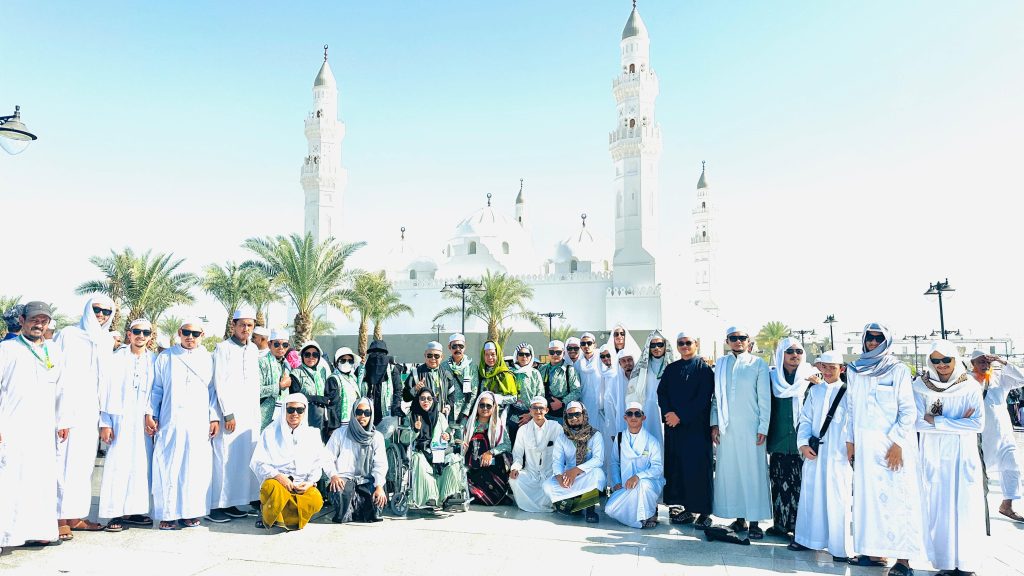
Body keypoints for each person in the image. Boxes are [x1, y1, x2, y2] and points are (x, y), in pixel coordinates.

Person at [845, 322, 923, 575]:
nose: (873, 342)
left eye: (879, 339)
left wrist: (898, 443)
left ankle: (903, 561)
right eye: (870, 337)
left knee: (899, 501)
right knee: (868, 501)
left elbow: (908, 410)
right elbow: (851, 408)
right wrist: (850, 441)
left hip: (893, 447)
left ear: (887, 341)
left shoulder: (898, 369)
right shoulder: (855, 369)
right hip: (865, 447)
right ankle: (874, 552)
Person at [0, 301, 69, 549]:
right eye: (34, 320)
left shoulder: (54, 351)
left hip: (43, 428)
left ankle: (38, 531)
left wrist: (63, 420)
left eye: (43, 321)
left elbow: (62, 389)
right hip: (13, 425)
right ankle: (5, 536)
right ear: (22, 320)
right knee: (9, 481)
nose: (39, 325)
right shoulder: (7, 349)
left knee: (40, 480)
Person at [914, 341, 985, 576]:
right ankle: (945, 564)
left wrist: (936, 420)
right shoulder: (920, 387)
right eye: (936, 360)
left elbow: (977, 424)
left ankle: (966, 565)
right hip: (933, 456)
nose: (941, 365)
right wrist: (959, 422)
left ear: (955, 359)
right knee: (939, 509)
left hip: (962, 456)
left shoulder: (970, 386)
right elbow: (917, 422)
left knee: (965, 508)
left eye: (946, 359)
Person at [147, 319, 220, 530]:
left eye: (195, 334)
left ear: (202, 335)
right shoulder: (166, 357)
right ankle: (167, 514)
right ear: (179, 332)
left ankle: (190, 513)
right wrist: (151, 413)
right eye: (186, 332)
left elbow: (212, 391)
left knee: (194, 467)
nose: (190, 337)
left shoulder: (207, 358)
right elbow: (157, 389)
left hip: (198, 422)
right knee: (168, 465)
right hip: (171, 420)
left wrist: (214, 417)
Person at [54, 295, 116, 536]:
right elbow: (57, 374)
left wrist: (104, 419)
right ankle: (59, 518)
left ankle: (76, 516)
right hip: (68, 410)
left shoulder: (106, 340)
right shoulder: (68, 334)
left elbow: (106, 382)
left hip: (91, 412)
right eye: (97, 309)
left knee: (83, 467)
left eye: (106, 311)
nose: (101, 314)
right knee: (63, 464)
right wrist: (60, 415)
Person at [711, 326, 771, 539]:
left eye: (742, 338)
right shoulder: (721, 364)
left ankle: (754, 522)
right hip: (727, 429)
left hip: (751, 428)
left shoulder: (758, 364)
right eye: (734, 338)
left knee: (753, 473)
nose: (738, 341)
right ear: (727, 341)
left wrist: (763, 427)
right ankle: (739, 519)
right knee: (732, 473)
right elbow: (716, 398)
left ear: (748, 341)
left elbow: (765, 399)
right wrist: (714, 424)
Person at [794, 350, 852, 561]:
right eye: (824, 367)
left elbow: (853, 423)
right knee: (811, 495)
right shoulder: (815, 391)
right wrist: (803, 444)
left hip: (839, 454)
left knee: (838, 498)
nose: (827, 371)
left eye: (832, 368)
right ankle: (807, 539)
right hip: (815, 452)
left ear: (841, 369)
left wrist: (850, 448)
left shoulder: (849, 393)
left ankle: (839, 548)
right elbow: (805, 419)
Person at [98, 319, 156, 531]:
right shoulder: (115, 359)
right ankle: (115, 513)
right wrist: (105, 422)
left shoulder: (154, 360)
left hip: (142, 422)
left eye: (145, 332)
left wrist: (150, 414)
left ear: (150, 336)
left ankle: (135, 511)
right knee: (118, 465)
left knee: (140, 466)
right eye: (137, 331)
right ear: (129, 334)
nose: (141, 336)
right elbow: (105, 391)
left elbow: (156, 391)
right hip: (119, 419)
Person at [208, 307, 262, 523]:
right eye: (242, 325)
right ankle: (216, 506)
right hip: (230, 414)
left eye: (249, 325)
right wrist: (227, 413)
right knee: (224, 458)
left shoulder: (253, 349)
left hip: (249, 414)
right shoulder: (223, 348)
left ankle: (231, 502)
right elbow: (219, 381)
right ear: (234, 325)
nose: (246, 329)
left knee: (241, 460)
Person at [250, 393, 334, 530]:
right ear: (284, 410)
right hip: (278, 483)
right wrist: (278, 476)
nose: (295, 413)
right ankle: (273, 515)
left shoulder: (312, 434)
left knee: (316, 499)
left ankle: (278, 515)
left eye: (300, 410)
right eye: (290, 409)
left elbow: (317, 464)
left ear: (305, 411)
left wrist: (310, 482)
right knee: (271, 488)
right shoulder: (270, 433)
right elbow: (258, 462)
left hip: (300, 485)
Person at [658, 332, 715, 528]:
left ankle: (705, 512)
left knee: (698, 468)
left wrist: (680, 416)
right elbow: (662, 393)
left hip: (696, 428)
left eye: (688, 342)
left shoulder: (704, 369)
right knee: (680, 468)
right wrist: (668, 413)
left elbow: (703, 399)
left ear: (695, 344)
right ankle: (687, 509)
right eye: (681, 343)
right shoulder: (671, 368)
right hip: (675, 429)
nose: (684, 346)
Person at [766, 337, 820, 540]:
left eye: (798, 351)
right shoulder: (772, 378)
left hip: (803, 442)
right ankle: (780, 525)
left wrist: (819, 385)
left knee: (802, 486)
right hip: (779, 440)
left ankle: (801, 528)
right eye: (789, 351)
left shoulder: (812, 378)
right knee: (778, 483)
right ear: (781, 354)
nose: (794, 355)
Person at [969, 350, 1024, 522]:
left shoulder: (999, 378)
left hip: (1005, 434)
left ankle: (1007, 505)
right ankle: (972, 508)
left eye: (988, 362)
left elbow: (1022, 378)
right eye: (981, 362)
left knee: (1013, 467)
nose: (985, 365)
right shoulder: (967, 381)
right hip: (982, 436)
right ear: (973, 364)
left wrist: (1002, 361)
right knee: (977, 472)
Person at [326, 397, 388, 523]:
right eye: (359, 412)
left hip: (367, 480)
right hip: (344, 479)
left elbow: (380, 464)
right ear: (354, 413)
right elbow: (327, 457)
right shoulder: (340, 433)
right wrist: (333, 476)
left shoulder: (377, 437)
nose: (362, 416)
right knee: (339, 495)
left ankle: (358, 508)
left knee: (376, 504)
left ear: (371, 415)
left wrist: (379, 486)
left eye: (367, 413)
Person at [606, 401, 665, 529]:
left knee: (643, 485)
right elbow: (614, 462)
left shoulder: (651, 441)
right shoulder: (619, 438)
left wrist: (638, 477)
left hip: (648, 484)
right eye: (630, 414)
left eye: (637, 414)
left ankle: (648, 514)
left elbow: (657, 468)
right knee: (609, 509)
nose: (633, 417)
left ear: (643, 417)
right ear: (625, 417)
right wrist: (616, 482)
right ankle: (637, 516)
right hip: (626, 486)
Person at [407, 387, 469, 510]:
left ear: (433, 400)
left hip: (439, 449)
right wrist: (415, 430)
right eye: (422, 398)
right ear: (418, 400)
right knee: (419, 460)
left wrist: (448, 436)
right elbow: (404, 438)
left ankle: (448, 496)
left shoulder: (440, 416)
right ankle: (430, 497)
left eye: (429, 398)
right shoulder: (412, 416)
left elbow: (448, 435)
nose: (426, 401)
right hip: (421, 450)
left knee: (454, 459)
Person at [543, 401, 605, 523]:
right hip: (569, 477)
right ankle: (575, 506)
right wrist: (559, 477)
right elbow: (557, 461)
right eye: (570, 415)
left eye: (577, 414)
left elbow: (598, 460)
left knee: (598, 474)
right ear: (566, 418)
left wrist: (576, 471)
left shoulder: (595, 435)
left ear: (584, 415)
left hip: (586, 475)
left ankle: (590, 509)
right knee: (547, 486)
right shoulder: (562, 437)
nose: (574, 418)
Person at [509, 396, 563, 512]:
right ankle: (530, 505)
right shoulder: (523, 430)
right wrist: (515, 468)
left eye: (541, 408)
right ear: (530, 410)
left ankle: (546, 504)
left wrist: (559, 473)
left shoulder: (556, 428)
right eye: (534, 408)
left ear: (546, 410)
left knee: (551, 485)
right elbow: (518, 454)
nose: (538, 411)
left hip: (550, 473)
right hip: (531, 473)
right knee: (514, 480)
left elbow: (561, 453)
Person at [626, 330, 674, 446]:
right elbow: (632, 390)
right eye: (653, 345)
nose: (656, 348)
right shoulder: (642, 367)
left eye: (660, 344)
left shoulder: (673, 367)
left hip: (666, 410)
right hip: (646, 408)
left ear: (665, 345)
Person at [464, 391, 512, 505]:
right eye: (482, 405)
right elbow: (458, 440)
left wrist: (490, 453)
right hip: (472, 465)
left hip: (491, 465)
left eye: (488, 406)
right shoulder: (469, 424)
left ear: (494, 407)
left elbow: (507, 445)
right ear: (477, 406)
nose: (485, 408)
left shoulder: (498, 425)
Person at [290, 341, 338, 441]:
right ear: (302, 356)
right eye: (307, 354)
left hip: (324, 417)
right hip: (306, 417)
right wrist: (318, 399)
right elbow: (295, 396)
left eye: (315, 355)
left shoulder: (322, 371)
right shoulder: (296, 373)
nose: (311, 357)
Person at [403, 341, 460, 420]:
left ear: (442, 357)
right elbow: (405, 398)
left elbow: (452, 395)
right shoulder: (415, 373)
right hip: (420, 419)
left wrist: (448, 406)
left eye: (436, 356)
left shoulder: (446, 374)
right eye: (429, 355)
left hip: (440, 418)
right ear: (425, 355)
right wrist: (415, 389)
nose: (433, 358)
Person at [259, 329, 292, 431]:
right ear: (269, 345)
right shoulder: (262, 363)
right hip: (263, 416)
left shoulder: (287, 365)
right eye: (277, 344)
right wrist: (279, 386)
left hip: (282, 415)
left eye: (285, 345)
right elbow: (256, 391)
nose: (281, 348)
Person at [509, 342, 544, 440]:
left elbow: (540, 396)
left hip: (531, 415)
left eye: (527, 354)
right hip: (512, 415)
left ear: (531, 356)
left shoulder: (535, 373)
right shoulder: (510, 372)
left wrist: (530, 415)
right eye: (521, 354)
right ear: (516, 356)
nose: (524, 357)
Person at [539, 340, 581, 421]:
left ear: (563, 353)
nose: (555, 355)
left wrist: (562, 402)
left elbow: (577, 391)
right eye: (552, 352)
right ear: (548, 353)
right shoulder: (542, 369)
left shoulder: (570, 370)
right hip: (545, 415)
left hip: (563, 416)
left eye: (558, 352)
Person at [362, 339, 401, 425]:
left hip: (386, 413)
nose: (377, 356)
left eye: (380, 353)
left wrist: (396, 405)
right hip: (365, 414)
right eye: (373, 353)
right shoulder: (362, 371)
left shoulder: (392, 370)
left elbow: (398, 390)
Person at [443, 333, 479, 426]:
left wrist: (465, 412)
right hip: (447, 411)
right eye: (454, 346)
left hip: (464, 413)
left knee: (462, 435)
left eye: (461, 346)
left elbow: (474, 392)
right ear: (449, 347)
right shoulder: (443, 366)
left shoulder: (472, 367)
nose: (458, 349)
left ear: (465, 347)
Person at [327, 346, 362, 425]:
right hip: (340, 423)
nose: (347, 363)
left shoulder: (353, 378)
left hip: (354, 421)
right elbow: (332, 405)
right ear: (337, 362)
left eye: (350, 361)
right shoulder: (333, 379)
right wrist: (334, 426)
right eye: (343, 360)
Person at [575, 332, 603, 423]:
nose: (586, 346)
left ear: (594, 345)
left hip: (601, 401)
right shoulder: (578, 363)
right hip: (585, 400)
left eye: (589, 343)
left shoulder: (602, 359)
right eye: (583, 343)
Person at [478, 340, 517, 406]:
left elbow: (514, 398)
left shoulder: (505, 374)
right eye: (486, 354)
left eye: (493, 354)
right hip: (482, 410)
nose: (490, 357)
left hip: (499, 411)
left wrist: (496, 398)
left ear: (498, 355)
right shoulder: (481, 373)